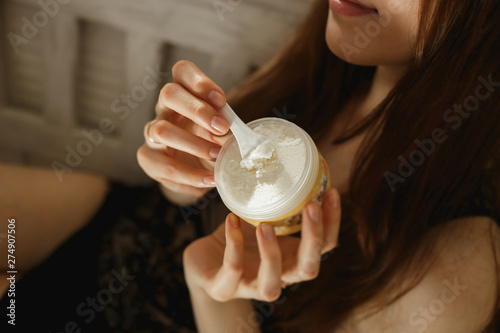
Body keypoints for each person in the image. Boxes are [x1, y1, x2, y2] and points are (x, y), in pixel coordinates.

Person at [1, 0, 499, 332]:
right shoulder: (329, 62)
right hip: (106, 235)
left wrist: (213, 289)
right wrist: (182, 169)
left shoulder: (454, 267)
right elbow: (187, 199)